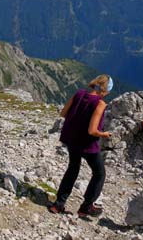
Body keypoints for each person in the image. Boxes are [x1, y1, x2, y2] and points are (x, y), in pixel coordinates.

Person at [48, 75, 113, 217]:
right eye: (108, 91)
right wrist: (105, 134)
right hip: (87, 144)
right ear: (105, 90)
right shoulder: (100, 103)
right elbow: (92, 131)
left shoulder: (78, 94)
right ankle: (86, 207)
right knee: (99, 173)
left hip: (71, 140)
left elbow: (63, 113)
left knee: (72, 169)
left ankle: (58, 204)